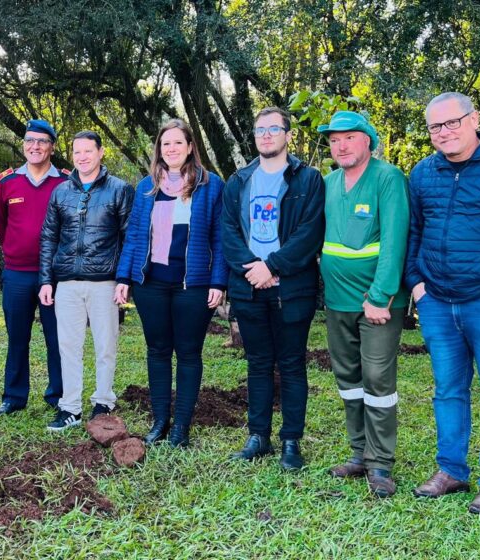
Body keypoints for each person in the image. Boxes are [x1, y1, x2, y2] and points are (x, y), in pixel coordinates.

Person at [407, 92, 480, 514]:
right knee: (448, 391)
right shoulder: (423, 173)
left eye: (453, 123)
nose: (445, 132)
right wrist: (416, 284)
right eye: (436, 126)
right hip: (437, 302)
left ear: (474, 119)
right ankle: (450, 469)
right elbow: (413, 230)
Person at [222, 108, 325, 468]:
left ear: (287, 135)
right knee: (258, 363)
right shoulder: (238, 181)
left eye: (273, 129)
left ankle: (291, 443)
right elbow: (229, 233)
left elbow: (310, 233)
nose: (266, 135)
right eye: (260, 130)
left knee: (292, 364)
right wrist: (254, 270)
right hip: (249, 288)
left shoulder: (308, 179)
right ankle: (258, 437)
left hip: (290, 289)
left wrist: (273, 266)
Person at [113, 119, 226, 447]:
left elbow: (219, 238)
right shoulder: (147, 187)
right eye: (166, 144)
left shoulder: (211, 185)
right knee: (158, 350)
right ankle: (160, 421)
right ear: (159, 150)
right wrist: (124, 276)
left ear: (191, 146)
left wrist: (218, 280)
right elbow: (134, 235)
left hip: (194, 285)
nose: (171, 149)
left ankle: (181, 428)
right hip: (152, 284)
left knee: (189, 353)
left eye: (178, 143)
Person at [317, 111, 409, 498]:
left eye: (349, 138)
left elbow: (394, 241)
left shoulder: (388, 178)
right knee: (349, 381)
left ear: (368, 140)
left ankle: (380, 464)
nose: (341, 145)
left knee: (377, 380)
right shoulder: (328, 183)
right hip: (336, 300)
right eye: (335, 140)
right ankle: (359, 453)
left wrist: (379, 296)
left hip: (376, 303)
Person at [39, 131, 134, 430]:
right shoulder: (61, 192)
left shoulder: (119, 189)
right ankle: (70, 408)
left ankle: (103, 401)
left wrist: (124, 278)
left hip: (104, 281)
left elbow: (129, 237)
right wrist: (46, 280)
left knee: (105, 344)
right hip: (66, 282)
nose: (82, 157)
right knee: (68, 346)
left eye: (88, 151)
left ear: (100, 152)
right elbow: (49, 237)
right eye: (76, 152)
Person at [0, 119, 69, 416]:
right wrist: (16, 249)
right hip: (17, 273)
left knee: (57, 336)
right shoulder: (7, 182)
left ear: (51, 147)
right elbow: (1, 224)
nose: (34, 146)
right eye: (29, 141)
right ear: (23, 145)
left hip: (56, 275)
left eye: (41, 141)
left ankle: (58, 395)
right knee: (17, 336)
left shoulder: (65, 182)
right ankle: (14, 396)